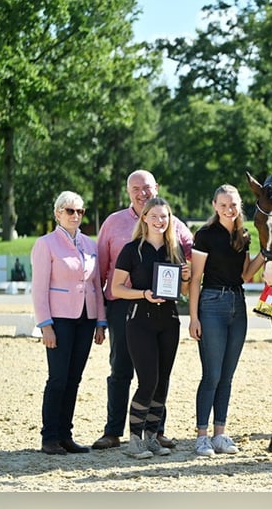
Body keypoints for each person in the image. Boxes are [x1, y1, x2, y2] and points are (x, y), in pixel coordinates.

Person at [93, 170, 193, 450]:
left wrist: (186, 276)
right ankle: (114, 431)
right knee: (121, 370)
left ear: (156, 188)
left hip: (165, 312)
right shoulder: (113, 225)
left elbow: (189, 270)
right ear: (129, 192)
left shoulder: (177, 231)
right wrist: (101, 318)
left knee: (159, 376)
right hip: (125, 309)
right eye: (135, 188)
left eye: (146, 187)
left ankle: (155, 432)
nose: (141, 192)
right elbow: (103, 275)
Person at [189, 184, 264, 457]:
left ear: (239, 205)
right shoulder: (205, 235)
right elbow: (195, 279)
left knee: (227, 377)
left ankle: (220, 434)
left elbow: (245, 275)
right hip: (211, 305)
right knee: (212, 374)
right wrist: (193, 318)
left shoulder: (243, 235)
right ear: (214, 206)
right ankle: (201, 437)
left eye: (233, 204)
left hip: (237, 304)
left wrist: (265, 254)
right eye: (223, 205)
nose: (228, 209)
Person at [31, 191, 107, 455]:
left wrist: (101, 321)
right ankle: (49, 436)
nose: (76, 216)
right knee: (58, 379)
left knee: (74, 379)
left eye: (80, 211)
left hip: (86, 319)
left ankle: (65, 435)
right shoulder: (46, 244)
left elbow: (96, 284)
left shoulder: (90, 244)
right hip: (59, 319)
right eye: (70, 211)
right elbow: (39, 289)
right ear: (58, 213)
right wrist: (45, 325)